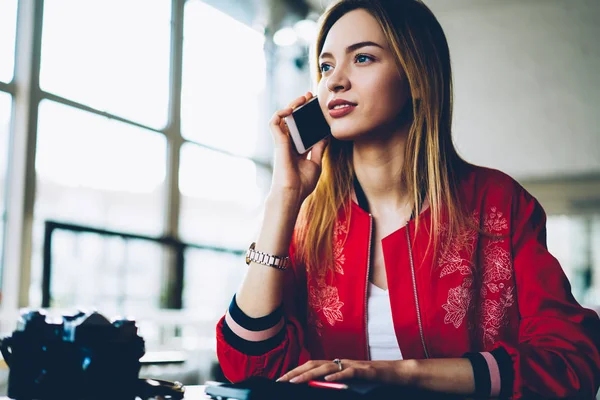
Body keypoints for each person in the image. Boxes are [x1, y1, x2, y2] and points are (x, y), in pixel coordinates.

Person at [215, 0, 600, 398]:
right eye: (326, 66)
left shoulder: (498, 204)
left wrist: (398, 373)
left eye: (362, 58)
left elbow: (571, 365)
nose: (334, 82)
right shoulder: (310, 218)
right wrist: (284, 197)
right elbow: (247, 366)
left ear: (416, 78)